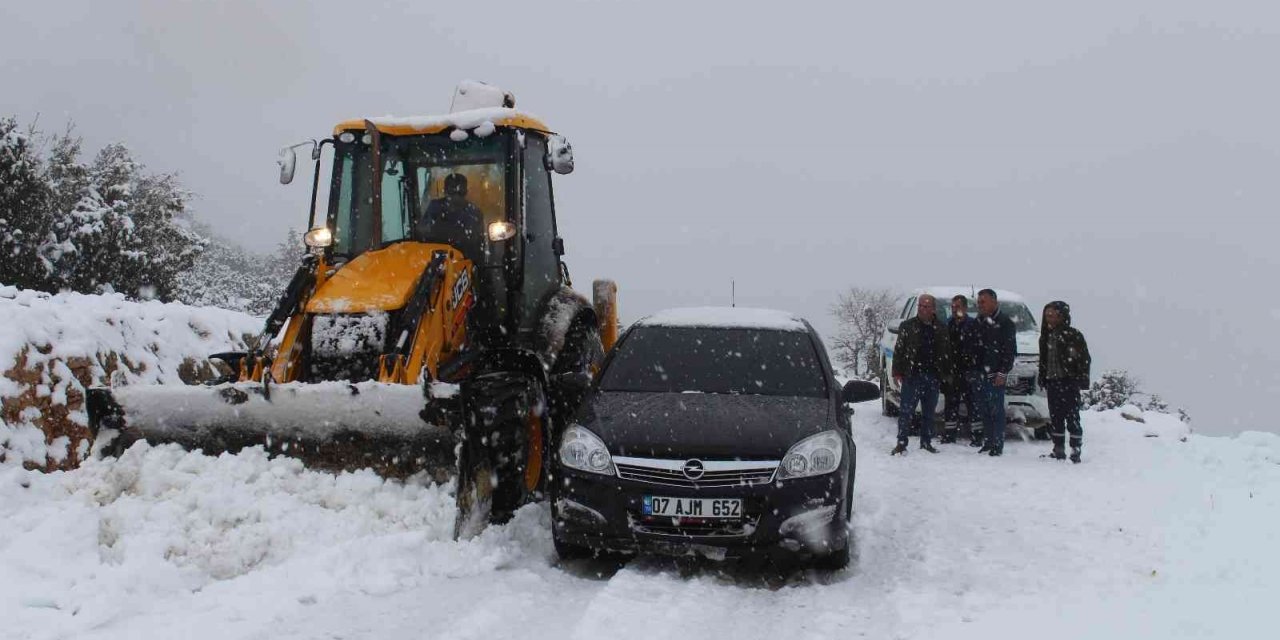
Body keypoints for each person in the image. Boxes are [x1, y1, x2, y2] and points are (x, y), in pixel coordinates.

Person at [890, 294, 951, 455]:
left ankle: (926, 442)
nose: (922, 309)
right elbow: (899, 350)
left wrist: (945, 374)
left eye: (926, 306)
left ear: (933, 309)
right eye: (920, 306)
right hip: (912, 375)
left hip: (932, 376)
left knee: (929, 413)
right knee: (906, 411)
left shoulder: (941, 328)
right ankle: (901, 443)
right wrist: (897, 372)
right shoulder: (908, 326)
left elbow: (947, 353)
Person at [1039, 301, 1091, 463]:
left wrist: (1080, 378)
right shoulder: (1045, 337)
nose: (1049, 318)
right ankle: (1058, 448)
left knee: (1072, 417)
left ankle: (1076, 449)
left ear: (1062, 316)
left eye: (1052, 315)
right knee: (1056, 418)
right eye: (1047, 315)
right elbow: (1043, 361)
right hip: (1052, 383)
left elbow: (1084, 359)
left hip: (1069, 382)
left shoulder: (1073, 335)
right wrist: (1043, 377)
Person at [974, 289, 1017, 456]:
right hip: (980, 374)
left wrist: (1003, 372)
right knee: (983, 410)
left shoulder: (1005, 322)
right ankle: (988, 441)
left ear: (994, 302)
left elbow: (1009, 351)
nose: (980, 305)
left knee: (996, 411)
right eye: (978, 302)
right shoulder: (979, 320)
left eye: (983, 302)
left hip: (995, 375)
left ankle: (998, 444)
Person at [414, 173, 485, 258]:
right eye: (452, 191)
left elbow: (476, 243)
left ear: (466, 192)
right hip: (435, 258)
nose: (456, 196)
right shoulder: (435, 207)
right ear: (445, 191)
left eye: (460, 192)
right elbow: (422, 231)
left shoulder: (473, 213)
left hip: (465, 262)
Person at [942, 294, 980, 444]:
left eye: (957, 307)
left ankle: (977, 436)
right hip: (953, 371)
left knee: (973, 405)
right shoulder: (947, 325)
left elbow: (978, 348)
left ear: (965, 308)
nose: (954, 310)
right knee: (950, 404)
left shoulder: (973, 325)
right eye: (952, 307)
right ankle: (950, 435)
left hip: (970, 371)